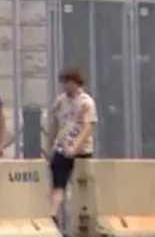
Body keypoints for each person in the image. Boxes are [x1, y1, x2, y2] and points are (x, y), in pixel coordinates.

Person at [43, 66, 97, 223]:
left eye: (68, 83)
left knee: (81, 185)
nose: (65, 87)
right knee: (58, 183)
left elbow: (87, 126)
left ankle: (81, 218)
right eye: (64, 83)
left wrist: (75, 147)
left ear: (76, 83)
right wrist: (50, 146)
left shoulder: (86, 102)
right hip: (61, 147)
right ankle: (53, 215)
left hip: (82, 149)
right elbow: (55, 124)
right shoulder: (60, 101)